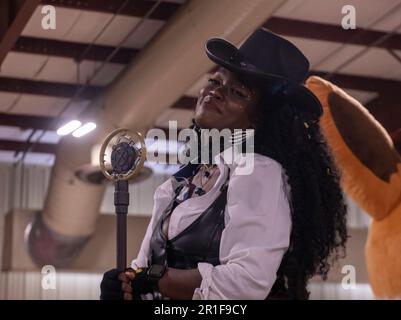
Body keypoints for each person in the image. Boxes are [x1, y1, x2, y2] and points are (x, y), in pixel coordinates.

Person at [100, 28, 348, 300]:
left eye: (238, 93)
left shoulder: (258, 171)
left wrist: (153, 280)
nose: (215, 92)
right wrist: (125, 287)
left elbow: (246, 283)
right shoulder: (179, 185)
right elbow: (145, 275)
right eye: (215, 81)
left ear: (259, 120)